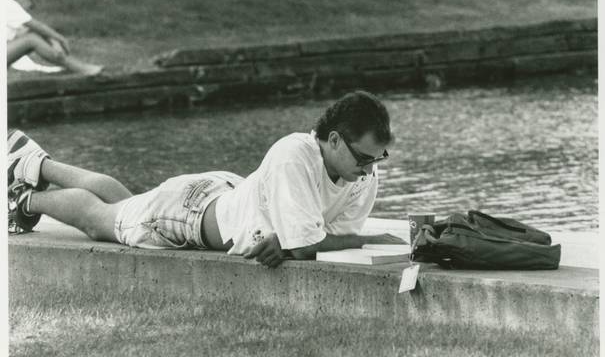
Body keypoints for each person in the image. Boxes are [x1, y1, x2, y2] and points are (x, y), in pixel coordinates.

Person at [7, 90, 405, 268]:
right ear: (334, 139)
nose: (371, 169)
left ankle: (33, 163)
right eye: (364, 157)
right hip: (191, 214)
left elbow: (319, 241)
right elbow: (312, 245)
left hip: (224, 197)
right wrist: (364, 238)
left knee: (124, 206)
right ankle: (25, 198)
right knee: (101, 222)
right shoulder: (294, 154)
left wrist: (292, 241)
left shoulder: (361, 175)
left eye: (378, 159)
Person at [6, 0, 103, 75]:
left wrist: (54, 41)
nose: (30, 5)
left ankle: (75, 66)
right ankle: (81, 68)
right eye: (30, 0)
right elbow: (37, 26)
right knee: (31, 40)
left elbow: (33, 30)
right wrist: (61, 39)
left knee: (32, 36)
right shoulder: (8, 4)